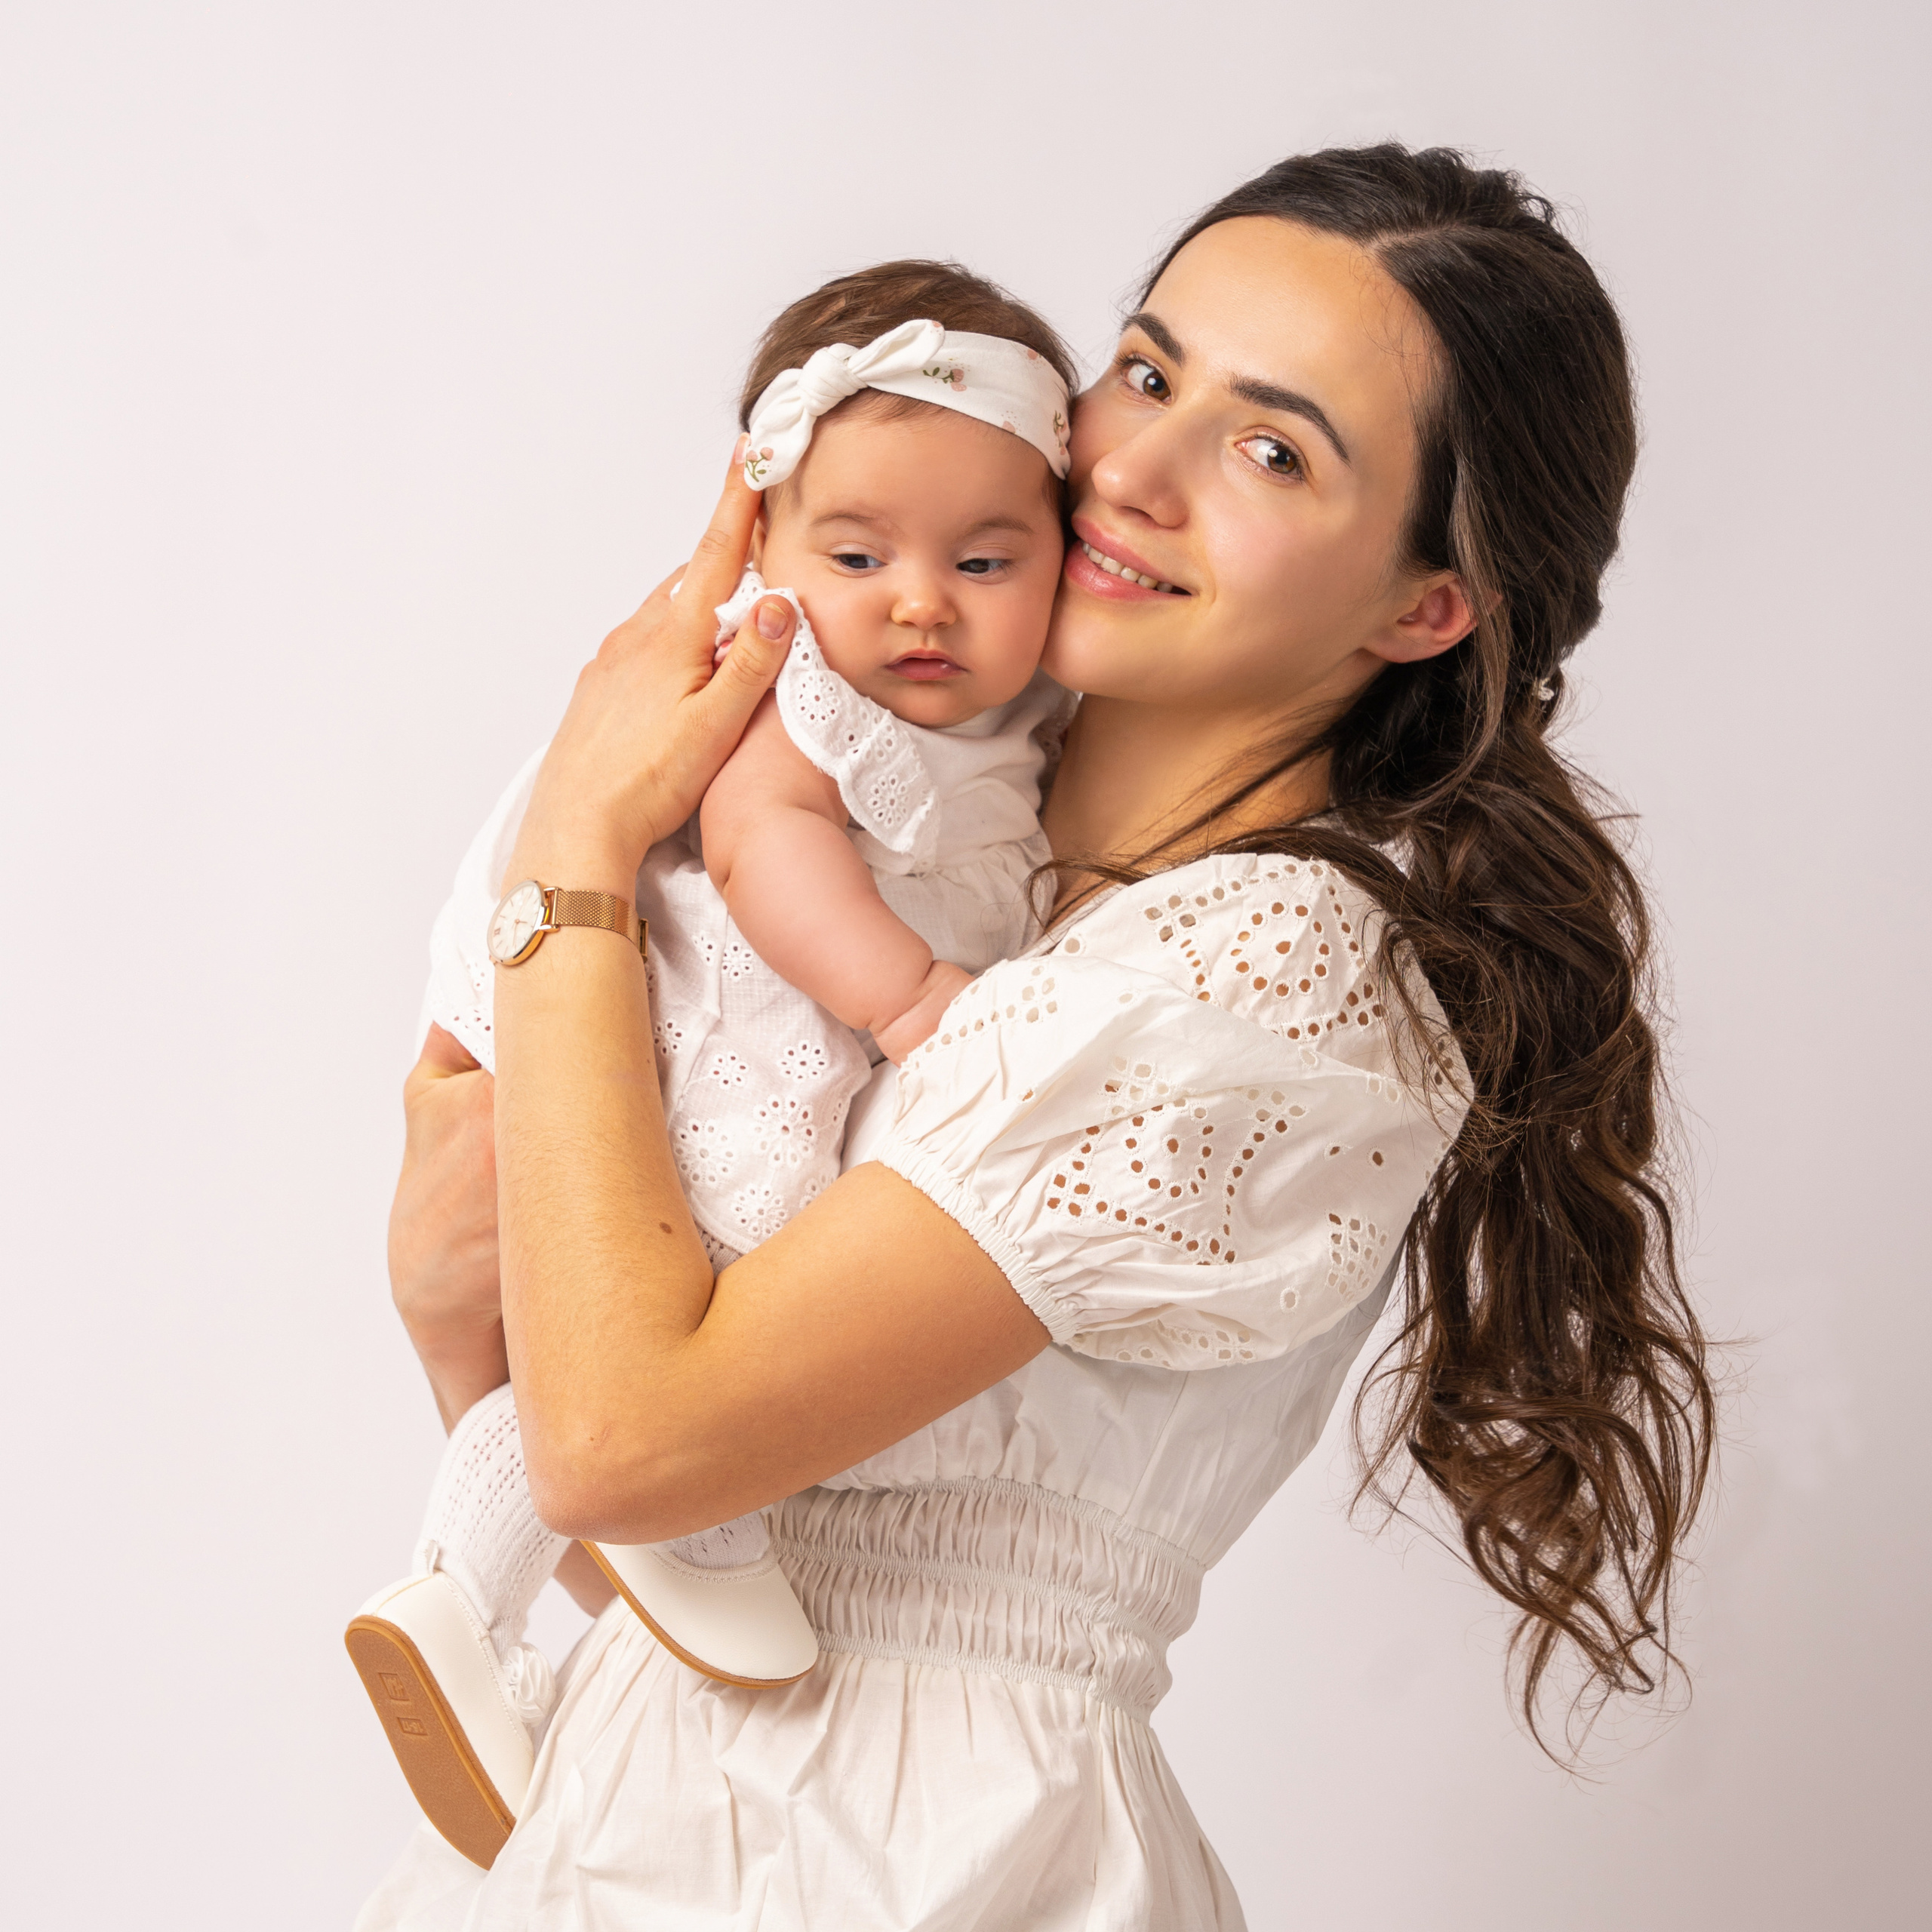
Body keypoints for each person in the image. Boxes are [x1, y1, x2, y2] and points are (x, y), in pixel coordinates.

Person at [361, 145, 1715, 1931]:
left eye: (1270, 450)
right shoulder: (948, 841)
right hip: (641, 1830)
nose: (1131, 468)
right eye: (1145, 371)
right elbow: (704, 1573)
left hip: (937, 1869)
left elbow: (629, 1444)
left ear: (1421, 604)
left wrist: (571, 850)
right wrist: (463, 1334)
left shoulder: (1269, 972)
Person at [346, 261, 1081, 1869]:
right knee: (730, 1259)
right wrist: (906, 996)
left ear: (1061, 550)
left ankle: (474, 1596)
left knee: (652, 1330)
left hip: (761, 1030)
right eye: (856, 555)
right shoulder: (793, 688)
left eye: (984, 560)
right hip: (735, 1023)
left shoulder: (1018, 715)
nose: (921, 602)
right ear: (759, 548)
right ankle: (637, 1529)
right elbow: (760, 850)